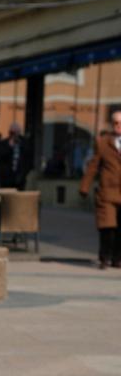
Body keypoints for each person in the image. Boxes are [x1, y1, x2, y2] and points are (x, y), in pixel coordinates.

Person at [79, 110, 121, 269]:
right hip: (107, 192)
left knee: (119, 229)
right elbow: (93, 167)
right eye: (115, 123)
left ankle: (117, 259)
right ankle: (104, 258)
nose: (118, 126)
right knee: (107, 226)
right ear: (111, 124)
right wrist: (84, 187)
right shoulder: (103, 143)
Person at [0, 121, 32, 189]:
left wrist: (25, 172)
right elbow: (0, 157)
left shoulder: (24, 143)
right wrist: (9, 146)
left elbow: (28, 158)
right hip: (6, 176)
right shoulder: (4, 143)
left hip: (20, 175)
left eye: (16, 132)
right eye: (12, 133)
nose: (14, 135)